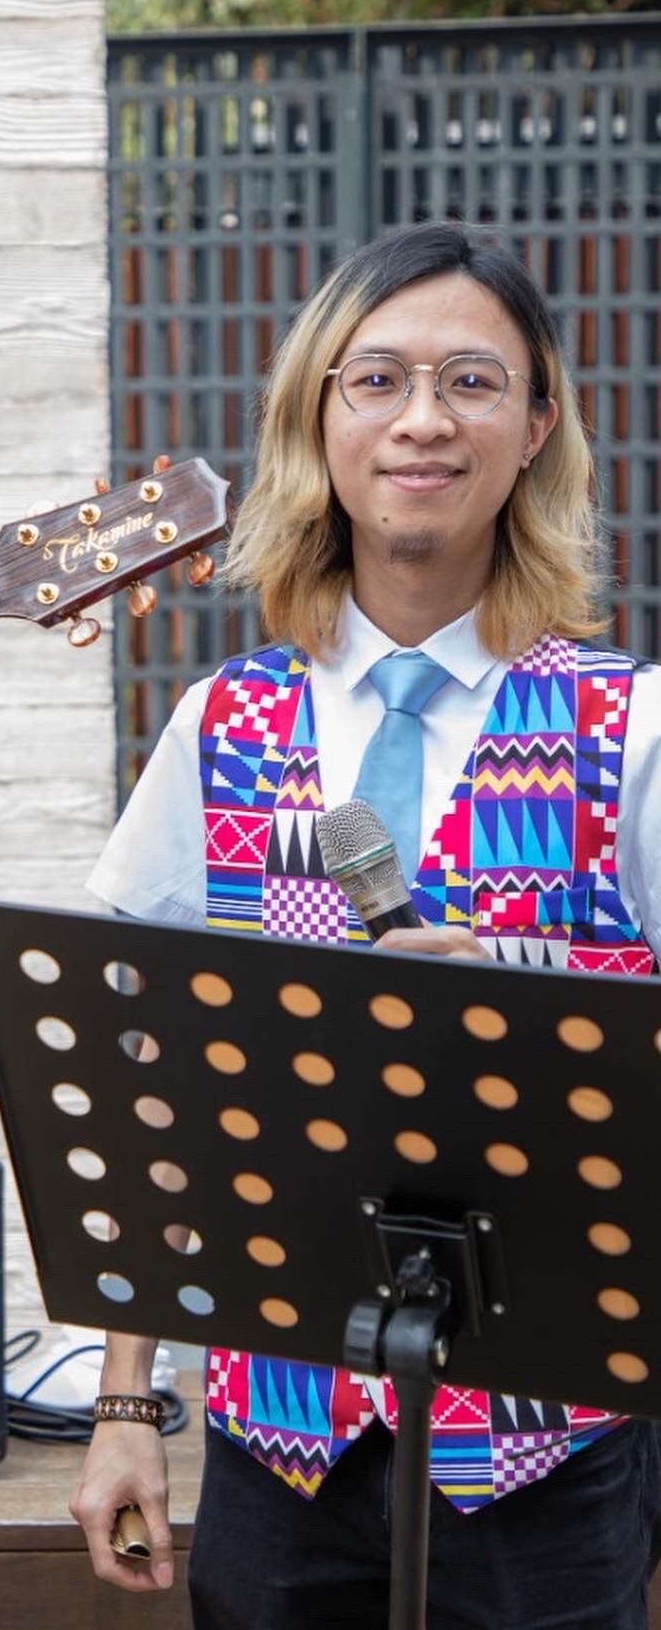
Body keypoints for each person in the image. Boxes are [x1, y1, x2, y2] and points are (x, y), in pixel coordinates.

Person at [69, 221, 661, 1629]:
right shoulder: (224, 728)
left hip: (548, 1453)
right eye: (376, 378)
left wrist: (534, 983)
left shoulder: (627, 725)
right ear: (316, 422)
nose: (422, 419)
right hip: (285, 1449)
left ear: (535, 426)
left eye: (471, 380)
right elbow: (139, 1072)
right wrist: (129, 1401)